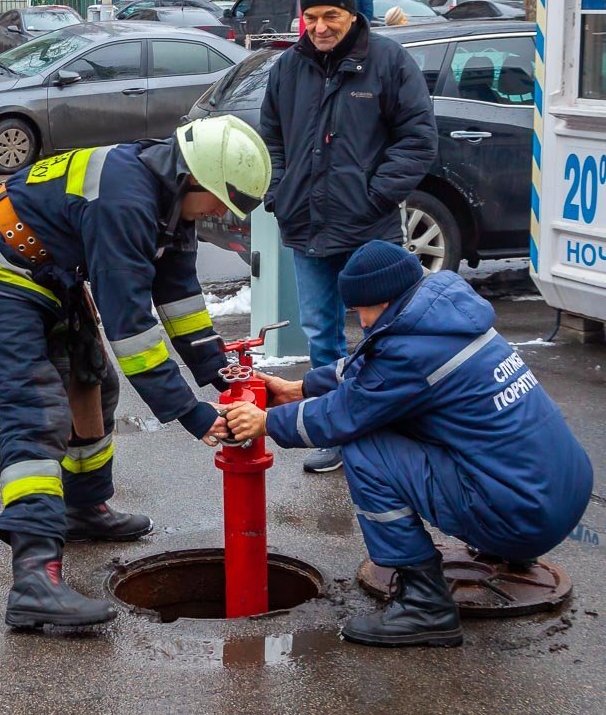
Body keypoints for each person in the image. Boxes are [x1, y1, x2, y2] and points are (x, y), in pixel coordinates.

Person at [0, 115, 271, 630]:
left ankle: (83, 509)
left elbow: (178, 296)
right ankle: (34, 578)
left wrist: (219, 372)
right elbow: (131, 328)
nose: (218, 215)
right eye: (218, 201)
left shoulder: (168, 199)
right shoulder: (125, 202)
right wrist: (190, 413)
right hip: (1, 271)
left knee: (93, 388)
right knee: (38, 411)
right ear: (194, 177)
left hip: (51, 270)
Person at [222, 241, 594, 648]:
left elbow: (343, 416)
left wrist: (266, 422)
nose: (361, 322)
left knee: (364, 444)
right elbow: (372, 366)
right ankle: (509, 551)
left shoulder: (407, 351)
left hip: (523, 518)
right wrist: (300, 387)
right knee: (424, 425)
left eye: (361, 310)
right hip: (563, 493)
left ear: (382, 301)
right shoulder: (441, 316)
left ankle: (425, 606)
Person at [259, 0, 437, 474]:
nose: (319, 27)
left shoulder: (388, 62)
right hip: (307, 225)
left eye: (330, 16)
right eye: (310, 17)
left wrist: (376, 196)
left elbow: (418, 139)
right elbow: (270, 138)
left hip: (368, 230)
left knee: (387, 333)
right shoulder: (288, 69)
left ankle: (394, 421)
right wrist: (278, 192)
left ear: (352, 12)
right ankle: (332, 428)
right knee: (322, 334)